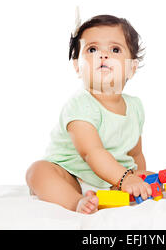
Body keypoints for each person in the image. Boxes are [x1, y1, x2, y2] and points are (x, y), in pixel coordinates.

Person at [26, 12, 154, 214]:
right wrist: (125, 178)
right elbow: (91, 152)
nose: (103, 55)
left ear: (131, 68)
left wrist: (137, 178)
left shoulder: (135, 107)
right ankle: (75, 202)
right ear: (77, 66)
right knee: (38, 171)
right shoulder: (80, 105)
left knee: (143, 176)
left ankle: (109, 195)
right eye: (92, 49)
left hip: (112, 179)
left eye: (115, 49)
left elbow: (135, 152)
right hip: (72, 175)